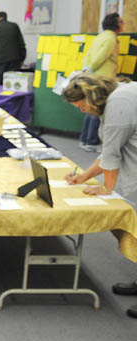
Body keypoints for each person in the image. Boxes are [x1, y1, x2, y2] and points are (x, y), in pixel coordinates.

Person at [62, 73, 137, 315]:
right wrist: (84, 176)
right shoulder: (115, 98)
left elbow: (112, 154)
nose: (83, 111)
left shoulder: (118, 106)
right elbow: (108, 152)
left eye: (82, 106)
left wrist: (107, 189)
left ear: (90, 97)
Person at [79, 13, 124, 152]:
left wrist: (86, 70)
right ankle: (92, 141)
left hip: (93, 76)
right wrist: (92, 68)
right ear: (116, 24)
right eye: (121, 21)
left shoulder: (100, 36)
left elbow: (89, 55)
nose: (123, 24)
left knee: (90, 108)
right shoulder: (111, 38)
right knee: (97, 109)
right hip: (103, 79)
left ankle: (84, 139)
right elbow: (101, 56)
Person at [0, 11, 26, 85]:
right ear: (6, 17)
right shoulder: (14, 26)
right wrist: (22, 59)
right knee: (12, 86)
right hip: (14, 61)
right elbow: (21, 44)